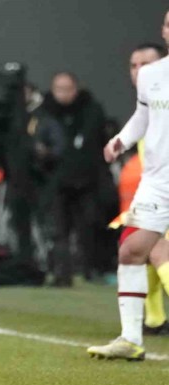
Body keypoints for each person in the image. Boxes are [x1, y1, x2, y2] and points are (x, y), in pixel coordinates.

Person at [87, 10, 169, 361]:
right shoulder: (151, 74)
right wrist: (120, 140)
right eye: (168, 23)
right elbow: (143, 115)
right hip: (157, 180)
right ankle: (131, 339)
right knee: (131, 250)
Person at [37, 72, 113, 286]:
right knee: (58, 230)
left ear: (76, 89)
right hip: (55, 182)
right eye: (59, 89)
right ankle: (62, 272)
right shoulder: (44, 113)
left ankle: (92, 269)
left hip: (87, 181)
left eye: (67, 88)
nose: (63, 94)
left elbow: (100, 143)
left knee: (89, 225)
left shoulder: (92, 111)